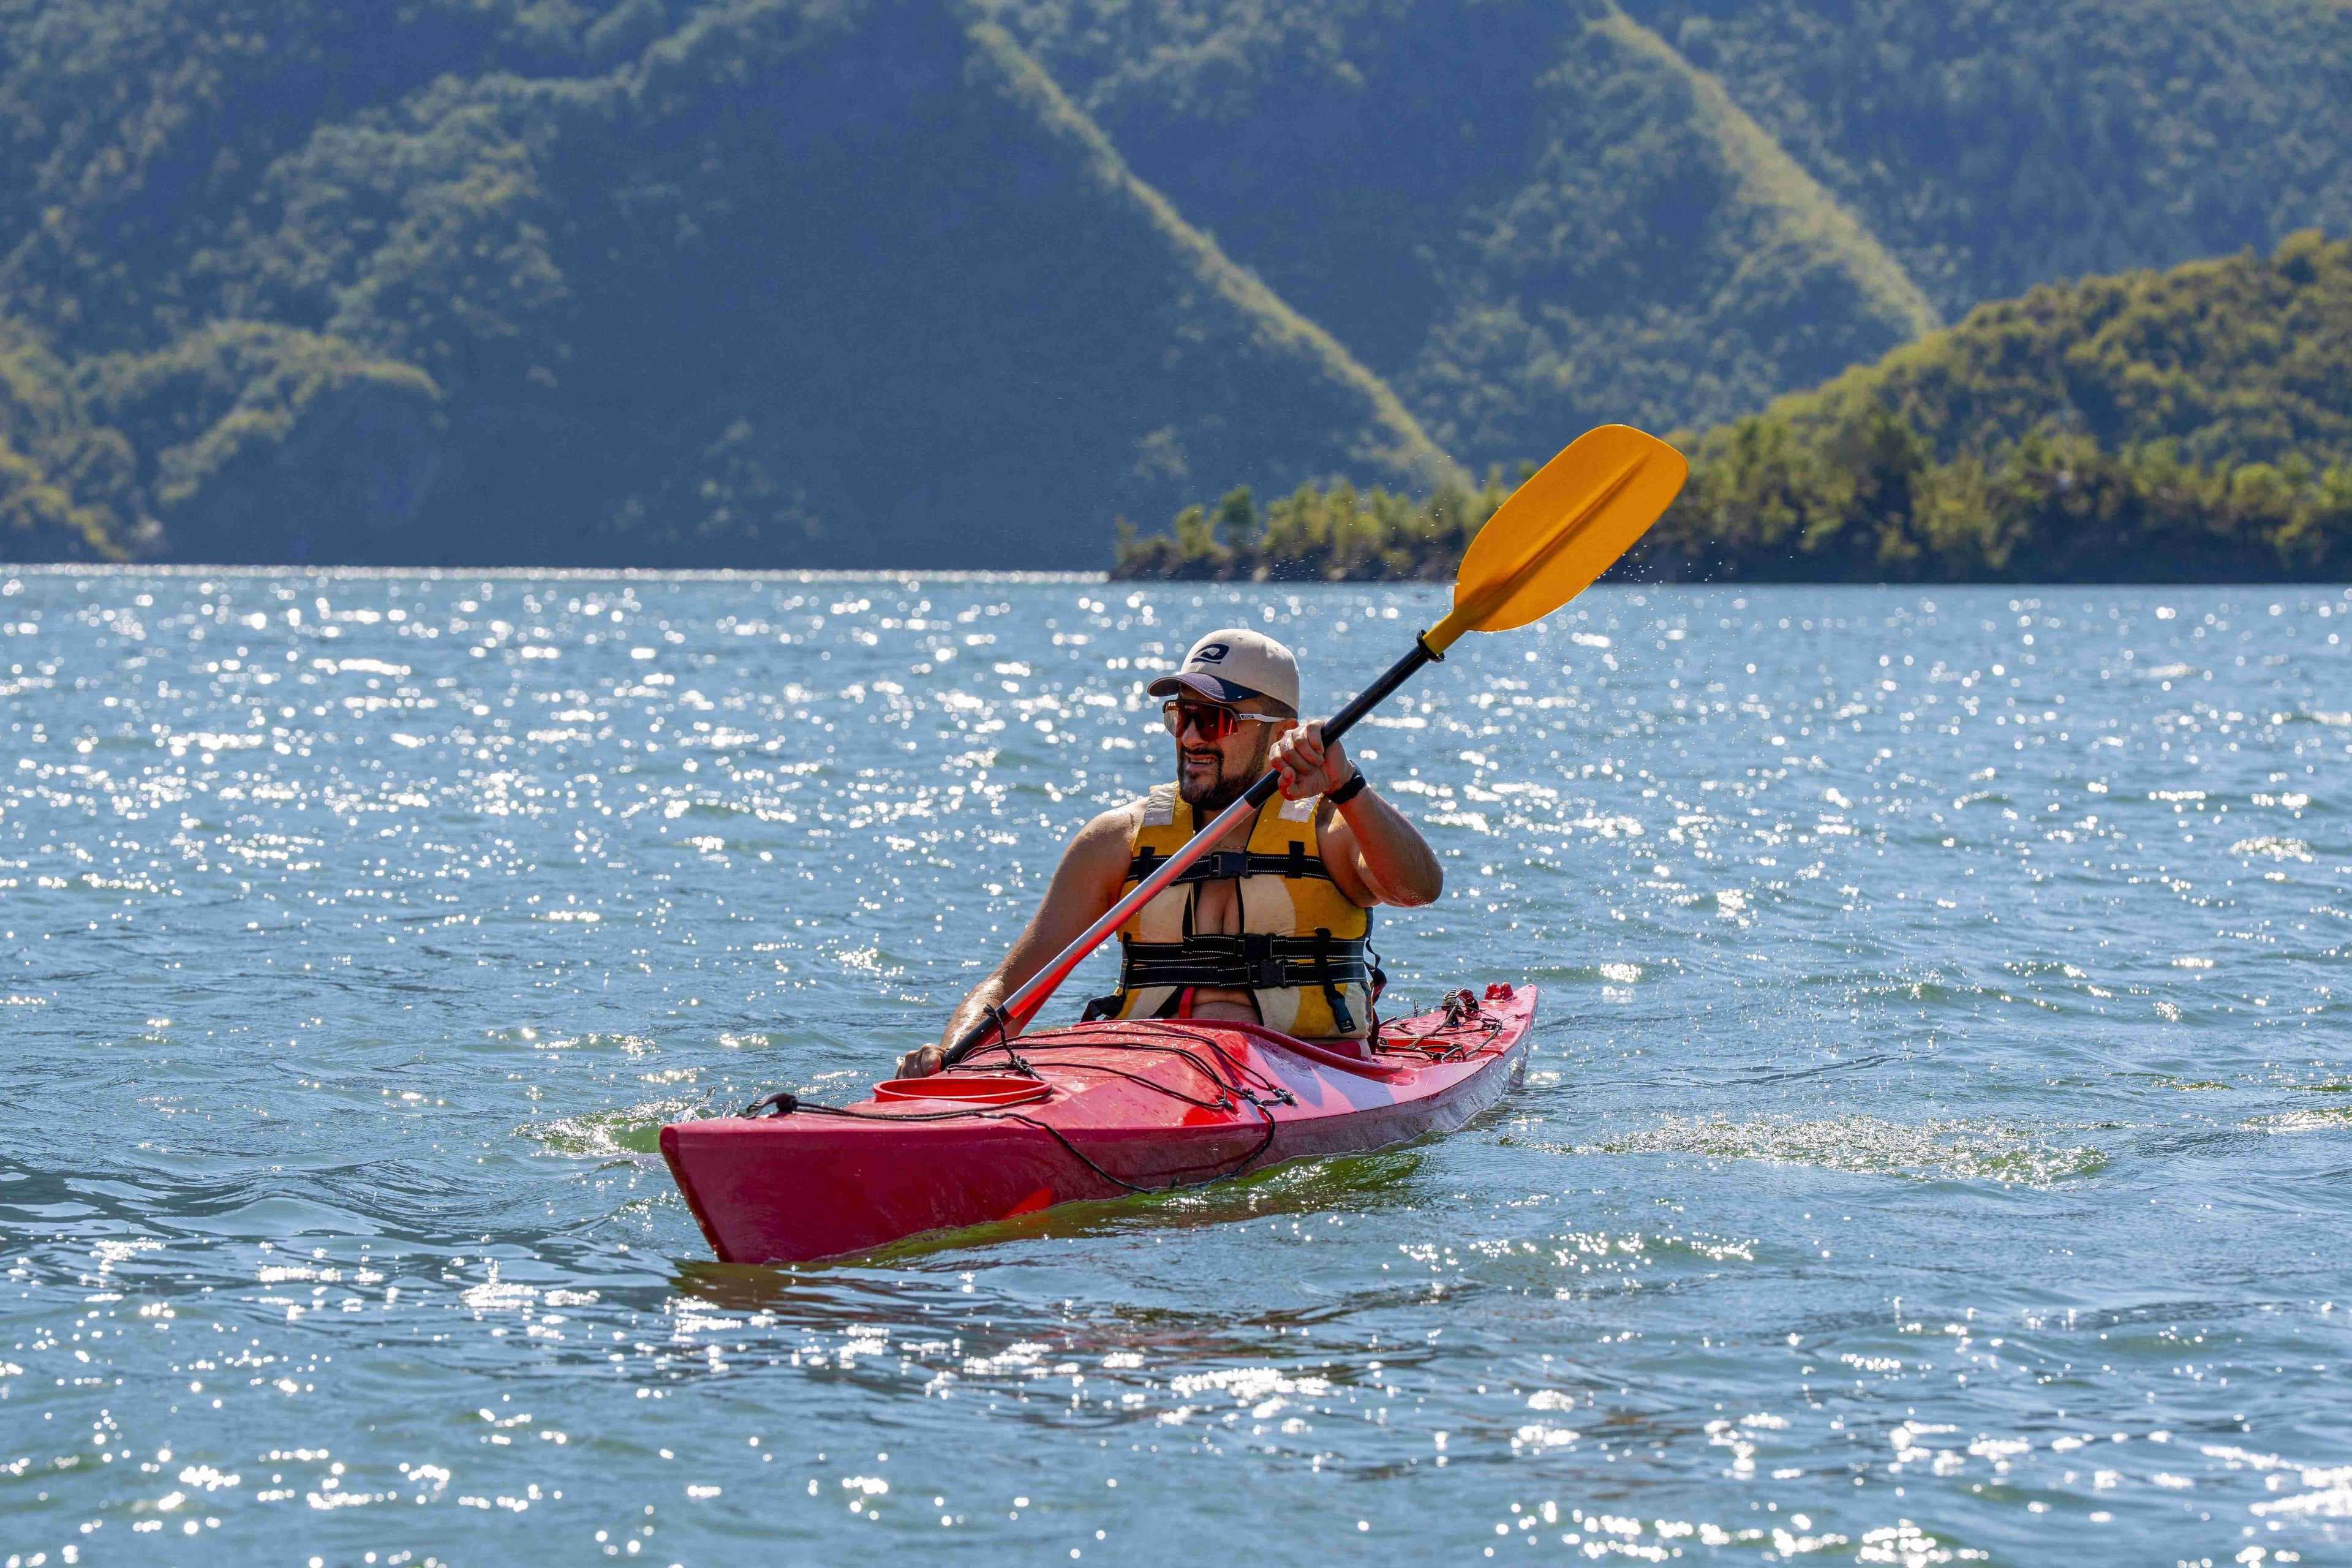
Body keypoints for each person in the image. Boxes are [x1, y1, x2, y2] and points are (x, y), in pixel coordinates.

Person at [897, 628, 1444, 1077]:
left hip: (1310, 1071)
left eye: (1215, 720)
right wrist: (949, 1059)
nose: (1190, 738)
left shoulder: (1331, 825)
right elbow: (1011, 988)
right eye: (1181, 717)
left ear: (1281, 733)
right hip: (1148, 1075)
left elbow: (1419, 888)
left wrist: (1348, 785)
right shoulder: (1116, 839)